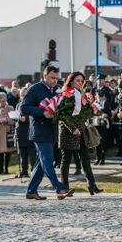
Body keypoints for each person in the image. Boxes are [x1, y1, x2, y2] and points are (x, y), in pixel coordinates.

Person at [21, 66, 74, 200]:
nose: (55, 81)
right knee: (48, 160)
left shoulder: (57, 90)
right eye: (52, 78)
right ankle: (59, 188)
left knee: (41, 163)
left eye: (57, 78)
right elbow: (24, 108)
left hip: (52, 131)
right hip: (39, 130)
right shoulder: (34, 89)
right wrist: (42, 112)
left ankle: (31, 191)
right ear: (44, 76)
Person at [58, 72, 103, 195]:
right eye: (78, 80)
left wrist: (93, 107)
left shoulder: (82, 95)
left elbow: (85, 113)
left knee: (86, 159)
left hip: (81, 130)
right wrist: (73, 128)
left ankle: (92, 185)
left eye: (82, 81)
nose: (80, 83)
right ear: (71, 81)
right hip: (68, 131)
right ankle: (65, 187)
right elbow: (62, 115)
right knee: (66, 160)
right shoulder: (66, 94)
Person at [0, 92, 15, 174]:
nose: (3, 103)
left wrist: (7, 120)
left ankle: (6, 170)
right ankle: (0, 170)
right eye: (1, 101)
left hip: (7, 132)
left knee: (8, 151)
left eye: (4, 101)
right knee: (0, 152)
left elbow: (14, 120)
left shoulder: (10, 108)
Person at [15, 87, 36, 177]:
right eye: (21, 94)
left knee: (32, 154)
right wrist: (16, 133)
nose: (23, 96)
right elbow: (16, 120)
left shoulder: (31, 104)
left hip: (29, 131)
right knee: (22, 154)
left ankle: (34, 171)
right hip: (21, 132)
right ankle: (24, 171)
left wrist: (26, 119)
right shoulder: (18, 105)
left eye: (24, 94)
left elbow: (34, 116)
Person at [94, 89, 111, 165]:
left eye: (101, 96)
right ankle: (97, 158)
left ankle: (102, 158)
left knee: (102, 141)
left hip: (103, 123)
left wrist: (106, 115)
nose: (100, 98)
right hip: (96, 123)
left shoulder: (107, 103)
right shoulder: (94, 103)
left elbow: (109, 114)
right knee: (96, 142)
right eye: (98, 96)